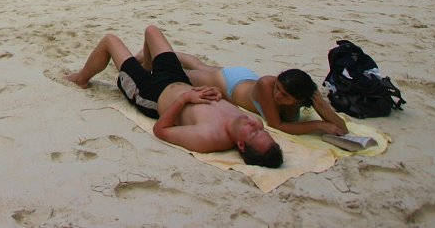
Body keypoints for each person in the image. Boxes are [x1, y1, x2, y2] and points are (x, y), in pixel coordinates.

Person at [65, 25, 282, 167]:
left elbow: (161, 130)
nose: (254, 124)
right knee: (152, 31)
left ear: (241, 146)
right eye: (261, 130)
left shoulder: (208, 137)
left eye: (253, 133)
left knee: (110, 41)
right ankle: (148, 65)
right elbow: (222, 99)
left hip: (151, 93)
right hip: (178, 79)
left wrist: (184, 100)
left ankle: (81, 79)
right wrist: (219, 93)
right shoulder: (244, 121)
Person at [176, 54, 348, 137]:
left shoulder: (306, 93)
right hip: (230, 84)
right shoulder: (268, 85)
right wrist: (318, 124)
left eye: (285, 95)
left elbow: (342, 128)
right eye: (278, 88)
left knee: (201, 66)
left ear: (299, 100)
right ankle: (160, 51)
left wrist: (324, 109)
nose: (278, 95)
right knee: (184, 72)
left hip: (243, 79)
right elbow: (276, 124)